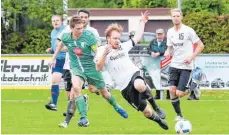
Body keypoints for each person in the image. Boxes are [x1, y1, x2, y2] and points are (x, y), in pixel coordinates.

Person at [49, 16, 128, 128]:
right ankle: (84, 118)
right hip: (76, 68)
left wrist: (102, 56)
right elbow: (61, 44)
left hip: (91, 67)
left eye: (82, 28)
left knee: (104, 93)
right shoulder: (66, 36)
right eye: (78, 28)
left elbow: (96, 50)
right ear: (71, 28)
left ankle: (116, 105)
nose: (81, 30)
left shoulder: (89, 36)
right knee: (76, 88)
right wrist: (53, 58)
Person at [95, 11, 169, 130]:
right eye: (115, 38)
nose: (117, 40)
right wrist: (104, 54)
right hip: (124, 87)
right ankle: (158, 119)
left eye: (119, 38)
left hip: (133, 74)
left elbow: (137, 38)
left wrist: (142, 22)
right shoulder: (101, 50)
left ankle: (157, 107)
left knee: (139, 84)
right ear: (108, 38)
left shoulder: (123, 47)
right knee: (147, 113)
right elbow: (98, 67)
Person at [164, 8, 204, 120]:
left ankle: (194, 84)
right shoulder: (170, 32)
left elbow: (201, 45)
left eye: (178, 16)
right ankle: (179, 115)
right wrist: (167, 52)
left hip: (186, 67)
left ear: (181, 17)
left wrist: (191, 57)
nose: (176, 18)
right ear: (171, 18)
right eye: (173, 16)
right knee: (172, 90)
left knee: (180, 93)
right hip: (174, 65)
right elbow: (170, 48)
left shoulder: (188, 30)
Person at [45, 15, 66, 111]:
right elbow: (55, 44)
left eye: (57, 20)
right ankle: (53, 103)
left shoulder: (66, 30)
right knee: (54, 80)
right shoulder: (53, 32)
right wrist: (51, 49)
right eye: (53, 21)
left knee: (73, 87)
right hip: (57, 59)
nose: (55, 22)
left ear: (61, 21)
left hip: (67, 59)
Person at [148, 28, 170, 100]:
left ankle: (168, 95)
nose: (159, 36)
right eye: (158, 34)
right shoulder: (153, 41)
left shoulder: (167, 41)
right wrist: (151, 53)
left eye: (160, 34)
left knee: (167, 78)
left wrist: (159, 53)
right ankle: (157, 94)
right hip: (155, 63)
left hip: (166, 62)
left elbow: (169, 50)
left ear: (164, 34)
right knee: (157, 78)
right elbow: (148, 49)